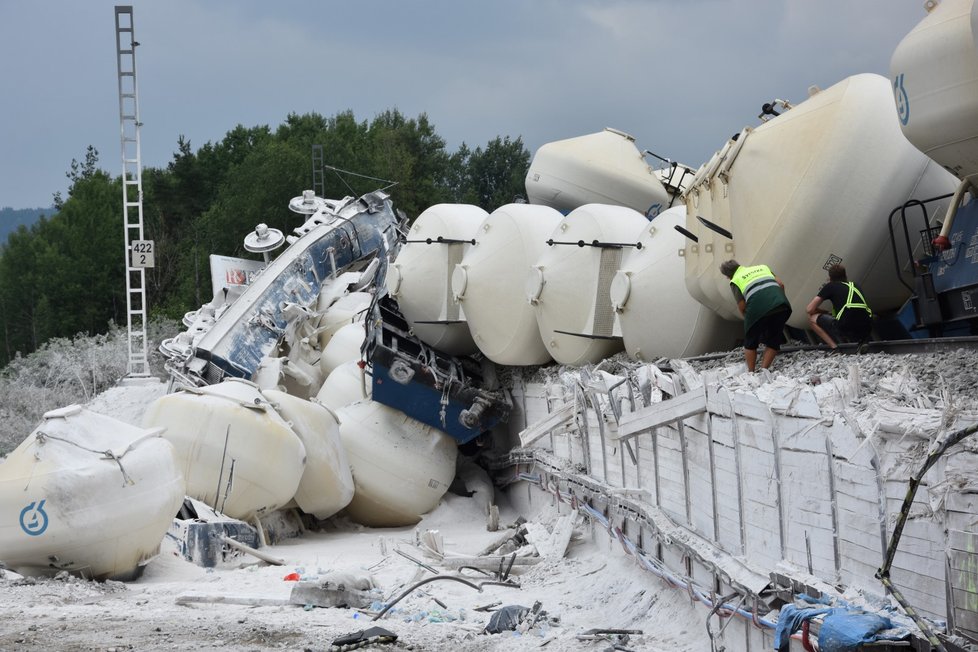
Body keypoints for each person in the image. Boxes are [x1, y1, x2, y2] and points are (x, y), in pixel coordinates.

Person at [719, 259, 792, 372]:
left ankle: (751, 373)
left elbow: (742, 306)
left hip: (757, 309)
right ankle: (763, 370)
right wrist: (778, 300)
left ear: (727, 276)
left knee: (750, 343)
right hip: (781, 305)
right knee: (774, 340)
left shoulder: (735, 280)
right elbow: (781, 285)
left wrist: (748, 320)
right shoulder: (763, 267)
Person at [805, 263, 872, 352]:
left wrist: (823, 312)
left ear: (830, 277)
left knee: (811, 318)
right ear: (845, 275)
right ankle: (863, 341)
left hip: (846, 327)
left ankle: (835, 348)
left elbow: (809, 309)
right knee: (855, 317)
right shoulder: (855, 285)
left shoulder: (830, 286)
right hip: (867, 326)